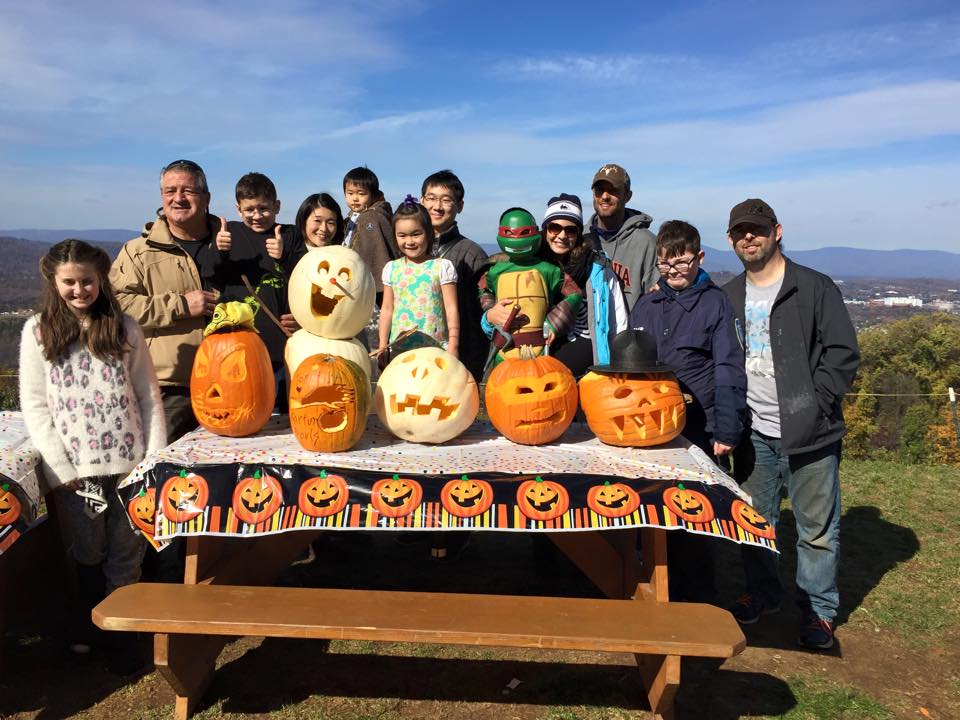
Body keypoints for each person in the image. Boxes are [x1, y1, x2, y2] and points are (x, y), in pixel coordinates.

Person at [19, 239, 166, 673]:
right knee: (88, 549)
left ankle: (122, 631)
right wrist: (60, 467)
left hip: (129, 463)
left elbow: (147, 395)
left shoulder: (124, 328)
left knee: (127, 547)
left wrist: (152, 456)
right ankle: (88, 624)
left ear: (101, 280)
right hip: (77, 471)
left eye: (87, 281)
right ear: (54, 282)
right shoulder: (39, 332)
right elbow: (35, 403)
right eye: (70, 282)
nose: (80, 290)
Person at [723, 198, 859, 650]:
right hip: (754, 432)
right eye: (741, 231)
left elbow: (842, 353)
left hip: (811, 433)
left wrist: (817, 405)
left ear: (776, 232)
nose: (749, 237)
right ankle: (763, 594)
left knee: (816, 528)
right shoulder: (730, 296)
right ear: (730, 239)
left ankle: (818, 611)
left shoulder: (813, 287)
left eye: (757, 229)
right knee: (755, 521)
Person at [629, 219, 747, 603]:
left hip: (699, 424)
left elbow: (729, 366)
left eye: (681, 263)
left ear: (698, 258)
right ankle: (651, 590)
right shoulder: (647, 305)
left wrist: (727, 429)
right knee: (651, 509)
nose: (673, 272)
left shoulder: (715, 304)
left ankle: (697, 598)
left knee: (693, 515)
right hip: (649, 425)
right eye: (665, 264)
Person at [109, 159, 220, 441]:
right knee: (157, 473)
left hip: (232, 381)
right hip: (169, 388)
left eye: (188, 191)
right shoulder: (137, 252)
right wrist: (180, 306)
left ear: (206, 198)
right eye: (170, 191)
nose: (178, 198)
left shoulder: (232, 245)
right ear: (162, 197)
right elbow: (116, 305)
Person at [213, 172, 305, 408]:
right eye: (249, 210)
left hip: (282, 346)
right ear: (238, 209)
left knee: (286, 416)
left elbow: (305, 277)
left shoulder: (289, 234)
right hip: (238, 347)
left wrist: (284, 255)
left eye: (263, 208)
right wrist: (219, 251)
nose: (256, 216)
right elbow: (212, 276)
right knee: (243, 410)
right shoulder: (229, 233)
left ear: (277, 206)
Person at [535, 193, 628, 377]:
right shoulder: (531, 267)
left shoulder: (597, 269)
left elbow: (618, 322)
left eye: (570, 230)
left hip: (590, 377)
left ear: (578, 233)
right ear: (545, 230)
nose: (562, 235)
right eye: (554, 228)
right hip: (538, 376)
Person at [420, 170, 489, 382]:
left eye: (446, 200)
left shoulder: (472, 253)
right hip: (417, 357)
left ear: (460, 205)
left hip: (459, 358)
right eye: (431, 199)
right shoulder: (408, 250)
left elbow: (483, 307)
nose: (437, 207)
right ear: (422, 201)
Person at [374, 197, 460, 366]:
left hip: (436, 350)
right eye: (402, 236)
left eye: (416, 234)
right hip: (399, 352)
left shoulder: (441, 267)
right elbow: (387, 309)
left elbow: (451, 309)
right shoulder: (391, 269)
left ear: (428, 233)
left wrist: (454, 344)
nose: (409, 241)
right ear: (395, 237)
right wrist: (383, 344)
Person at [582, 163, 658, 312]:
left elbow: (655, 299)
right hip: (586, 334)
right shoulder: (581, 239)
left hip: (631, 333)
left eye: (613, 190)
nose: (604, 196)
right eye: (599, 190)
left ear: (627, 196)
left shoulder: (646, 243)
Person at [342, 166, 398, 305]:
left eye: (361, 194)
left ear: (372, 195)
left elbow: (377, 254)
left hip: (372, 291)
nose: (355, 198)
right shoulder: (353, 218)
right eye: (350, 193)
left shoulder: (371, 217)